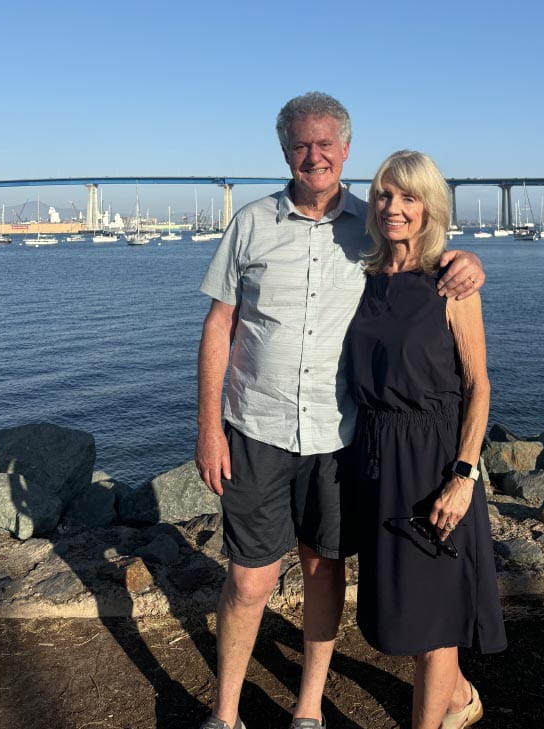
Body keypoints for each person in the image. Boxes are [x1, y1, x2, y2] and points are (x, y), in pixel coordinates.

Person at [195, 93, 486, 729]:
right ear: (284, 151)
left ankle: (307, 709)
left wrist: (469, 262)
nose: (314, 155)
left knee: (325, 571)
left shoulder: (371, 226)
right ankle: (225, 714)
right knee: (249, 582)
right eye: (301, 144)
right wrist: (207, 426)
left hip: (338, 435)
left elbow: (427, 254)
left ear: (346, 151)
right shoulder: (249, 223)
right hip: (256, 427)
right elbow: (219, 324)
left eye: (326, 143)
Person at [345, 150, 507, 729]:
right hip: (375, 456)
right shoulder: (361, 277)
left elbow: (479, 386)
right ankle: (461, 697)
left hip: (435, 458)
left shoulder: (452, 283)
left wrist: (463, 477)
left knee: (436, 621)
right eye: (385, 195)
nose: (394, 208)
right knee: (403, 610)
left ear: (430, 207)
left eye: (409, 197)